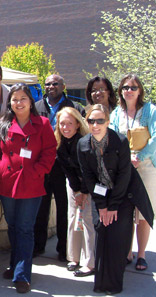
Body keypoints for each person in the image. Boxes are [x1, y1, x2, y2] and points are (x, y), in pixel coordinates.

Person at [77, 104, 153, 294]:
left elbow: (124, 175)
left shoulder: (119, 141)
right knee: (102, 234)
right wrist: (102, 206)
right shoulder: (83, 144)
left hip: (123, 195)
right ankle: (101, 283)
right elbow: (89, 177)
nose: (95, 125)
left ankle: (114, 284)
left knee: (118, 237)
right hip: (101, 196)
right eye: (91, 121)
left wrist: (113, 206)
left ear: (108, 121)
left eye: (100, 120)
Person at [0, 83, 57, 293]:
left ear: (31, 102)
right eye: (14, 99)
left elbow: (50, 151)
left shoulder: (43, 123)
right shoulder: (2, 124)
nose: (19, 103)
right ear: (9, 103)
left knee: (25, 228)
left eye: (23, 98)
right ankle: (15, 265)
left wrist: (37, 171)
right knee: (13, 226)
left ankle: (22, 274)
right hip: (8, 183)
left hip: (30, 182)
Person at [109, 74, 156, 271]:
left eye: (132, 87)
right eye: (125, 87)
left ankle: (141, 254)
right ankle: (127, 252)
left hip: (146, 167)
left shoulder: (149, 110)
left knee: (143, 213)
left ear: (139, 90)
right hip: (124, 169)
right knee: (126, 212)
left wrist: (139, 157)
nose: (128, 91)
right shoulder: (116, 113)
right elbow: (112, 139)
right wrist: (125, 160)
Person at [34, 74, 86, 261]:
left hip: (66, 166)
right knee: (41, 207)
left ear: (63, 86)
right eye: (47, 84)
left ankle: (64, 249)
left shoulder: (75, 108)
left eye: (55, 84)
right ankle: (38, 246)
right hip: (43, 164)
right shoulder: (37, 107)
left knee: (65, 208)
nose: (51, 87)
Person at [54, 107, 96, 277]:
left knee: (87, 220)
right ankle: (74, 257)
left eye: (69, 124)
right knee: (73, 219)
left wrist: (84, 192)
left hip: (90, 185)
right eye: (62, 124)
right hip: (74, 185)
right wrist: (77, 190)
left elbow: (89, 171)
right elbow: (67, 170)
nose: (65, 127)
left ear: (78, 124)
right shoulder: (60, 143)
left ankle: (89, 262)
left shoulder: (85, 142)